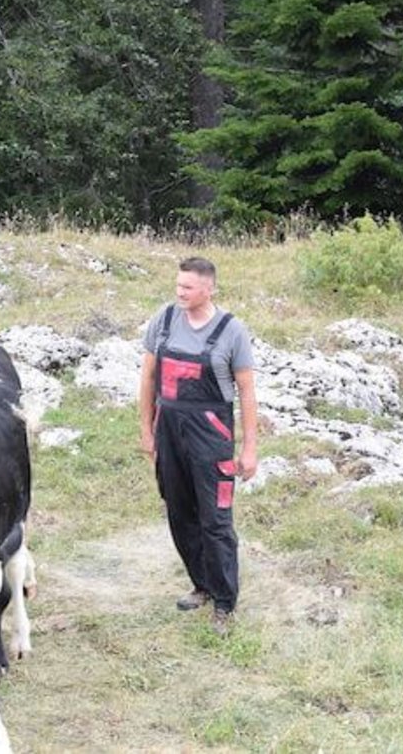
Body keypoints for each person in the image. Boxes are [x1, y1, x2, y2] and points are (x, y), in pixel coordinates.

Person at [139, 256, 258, 635]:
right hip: (169, 432)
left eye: (188, 287)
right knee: (180, 512)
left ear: (209, 289)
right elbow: (148, 376)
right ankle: (202, 584)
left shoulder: (231, 331)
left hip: (211, 436)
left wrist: (249, 448)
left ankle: (225, 601)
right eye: (178, 285)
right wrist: (146, 429)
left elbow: (247, 391)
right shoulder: (164, 320)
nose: (180, 292)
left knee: (216, 521)